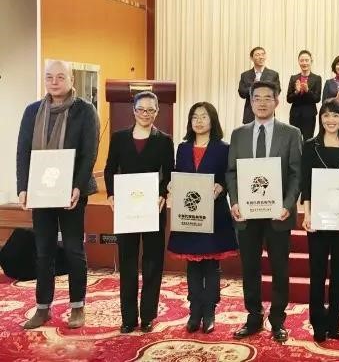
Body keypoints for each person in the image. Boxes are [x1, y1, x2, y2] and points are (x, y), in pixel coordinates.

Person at [16, 59, 99, 329]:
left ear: (71, 79)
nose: (54, 82)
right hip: (41, 191)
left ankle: (77, 307)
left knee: (74, 249)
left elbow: (89, 152)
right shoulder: (32, 111)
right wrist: (23, 187)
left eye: (60, 77)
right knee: (44, 251)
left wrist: (78, 186)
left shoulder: (85, 111)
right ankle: (42, 308)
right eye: (49, 77)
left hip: (72, 192)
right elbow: (23, 151)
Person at [226, 80, 302, 343]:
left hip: (278, 214)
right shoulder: (238, 134)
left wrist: (288, 204)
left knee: (280, 268)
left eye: (267, 98)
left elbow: (296, 173)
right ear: (250, 102)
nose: (261, 102)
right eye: (256, 98)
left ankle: (278, 320)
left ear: (277, 101)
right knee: (250, 268)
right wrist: (234, 201)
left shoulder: (291, 133)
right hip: (247, 215)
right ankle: (254, 316)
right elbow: (232, 172)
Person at [104, 91, 175, 334]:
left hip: (153, 208)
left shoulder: (164, 140)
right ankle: (128, 318)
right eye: (141, 109)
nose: (146, 114)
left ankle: (147, 316)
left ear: (157, 112)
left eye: (151, 110)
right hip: (127, 208)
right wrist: (111, 194)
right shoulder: (119, 138)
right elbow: (110, 168)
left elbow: (169, 172)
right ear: (133, 111)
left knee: (153, 262)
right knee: (127, 261)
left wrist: (163, 194)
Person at [167, 102, 238, 333]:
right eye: (194, 117)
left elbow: (229, 176)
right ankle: (194, 311)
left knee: (211, 265)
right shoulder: (183, 148)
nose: (198, 121)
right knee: (193, 265)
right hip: (189, 214)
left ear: (212, 120)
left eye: (204, 117)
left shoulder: (223, 148)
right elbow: (178, 173)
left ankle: (209, 312)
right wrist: (172, 184)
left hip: (214, 213)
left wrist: (221, 187)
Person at [300, 99, 339, 343]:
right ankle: (318, 323)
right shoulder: (310, 146)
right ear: (320, 119)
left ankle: (334, 324)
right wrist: (307, 213)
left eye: (335, 115)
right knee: (317, 273)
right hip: (318, 218)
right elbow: (306, 183)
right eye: (326, 115)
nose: (330, 120)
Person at [238, 47, 281, 124]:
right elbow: (241, 93)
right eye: (257, 55)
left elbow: (277, 91)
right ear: (251, 58)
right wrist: (252, 87)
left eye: (263, 54)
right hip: (250, 114)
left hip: (268, 112)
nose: (261, 57)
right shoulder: (245, 75)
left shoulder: (273, 74)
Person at [286, 50, 322, 140]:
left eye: (307, 60)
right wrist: (296, 92)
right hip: (295, 115)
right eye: (302, 60)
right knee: (294, 140)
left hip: (309, 115)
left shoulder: (317, 78)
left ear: (311, 61)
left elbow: (317, 99)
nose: (304, 63)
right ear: (298, 62)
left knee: (308, 141)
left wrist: (307, 91)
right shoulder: (293, 78)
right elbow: (288, 99)